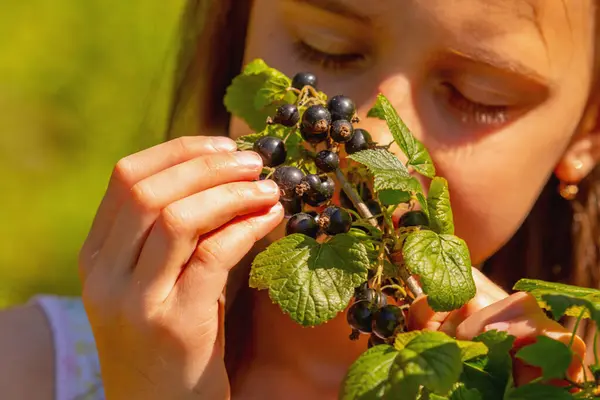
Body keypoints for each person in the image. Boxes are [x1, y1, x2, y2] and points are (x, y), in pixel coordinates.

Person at [1, 0, 600, 398]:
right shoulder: (29, 367)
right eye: (326, 49)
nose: (375, 132)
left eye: (477, 94)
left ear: (587, 133)